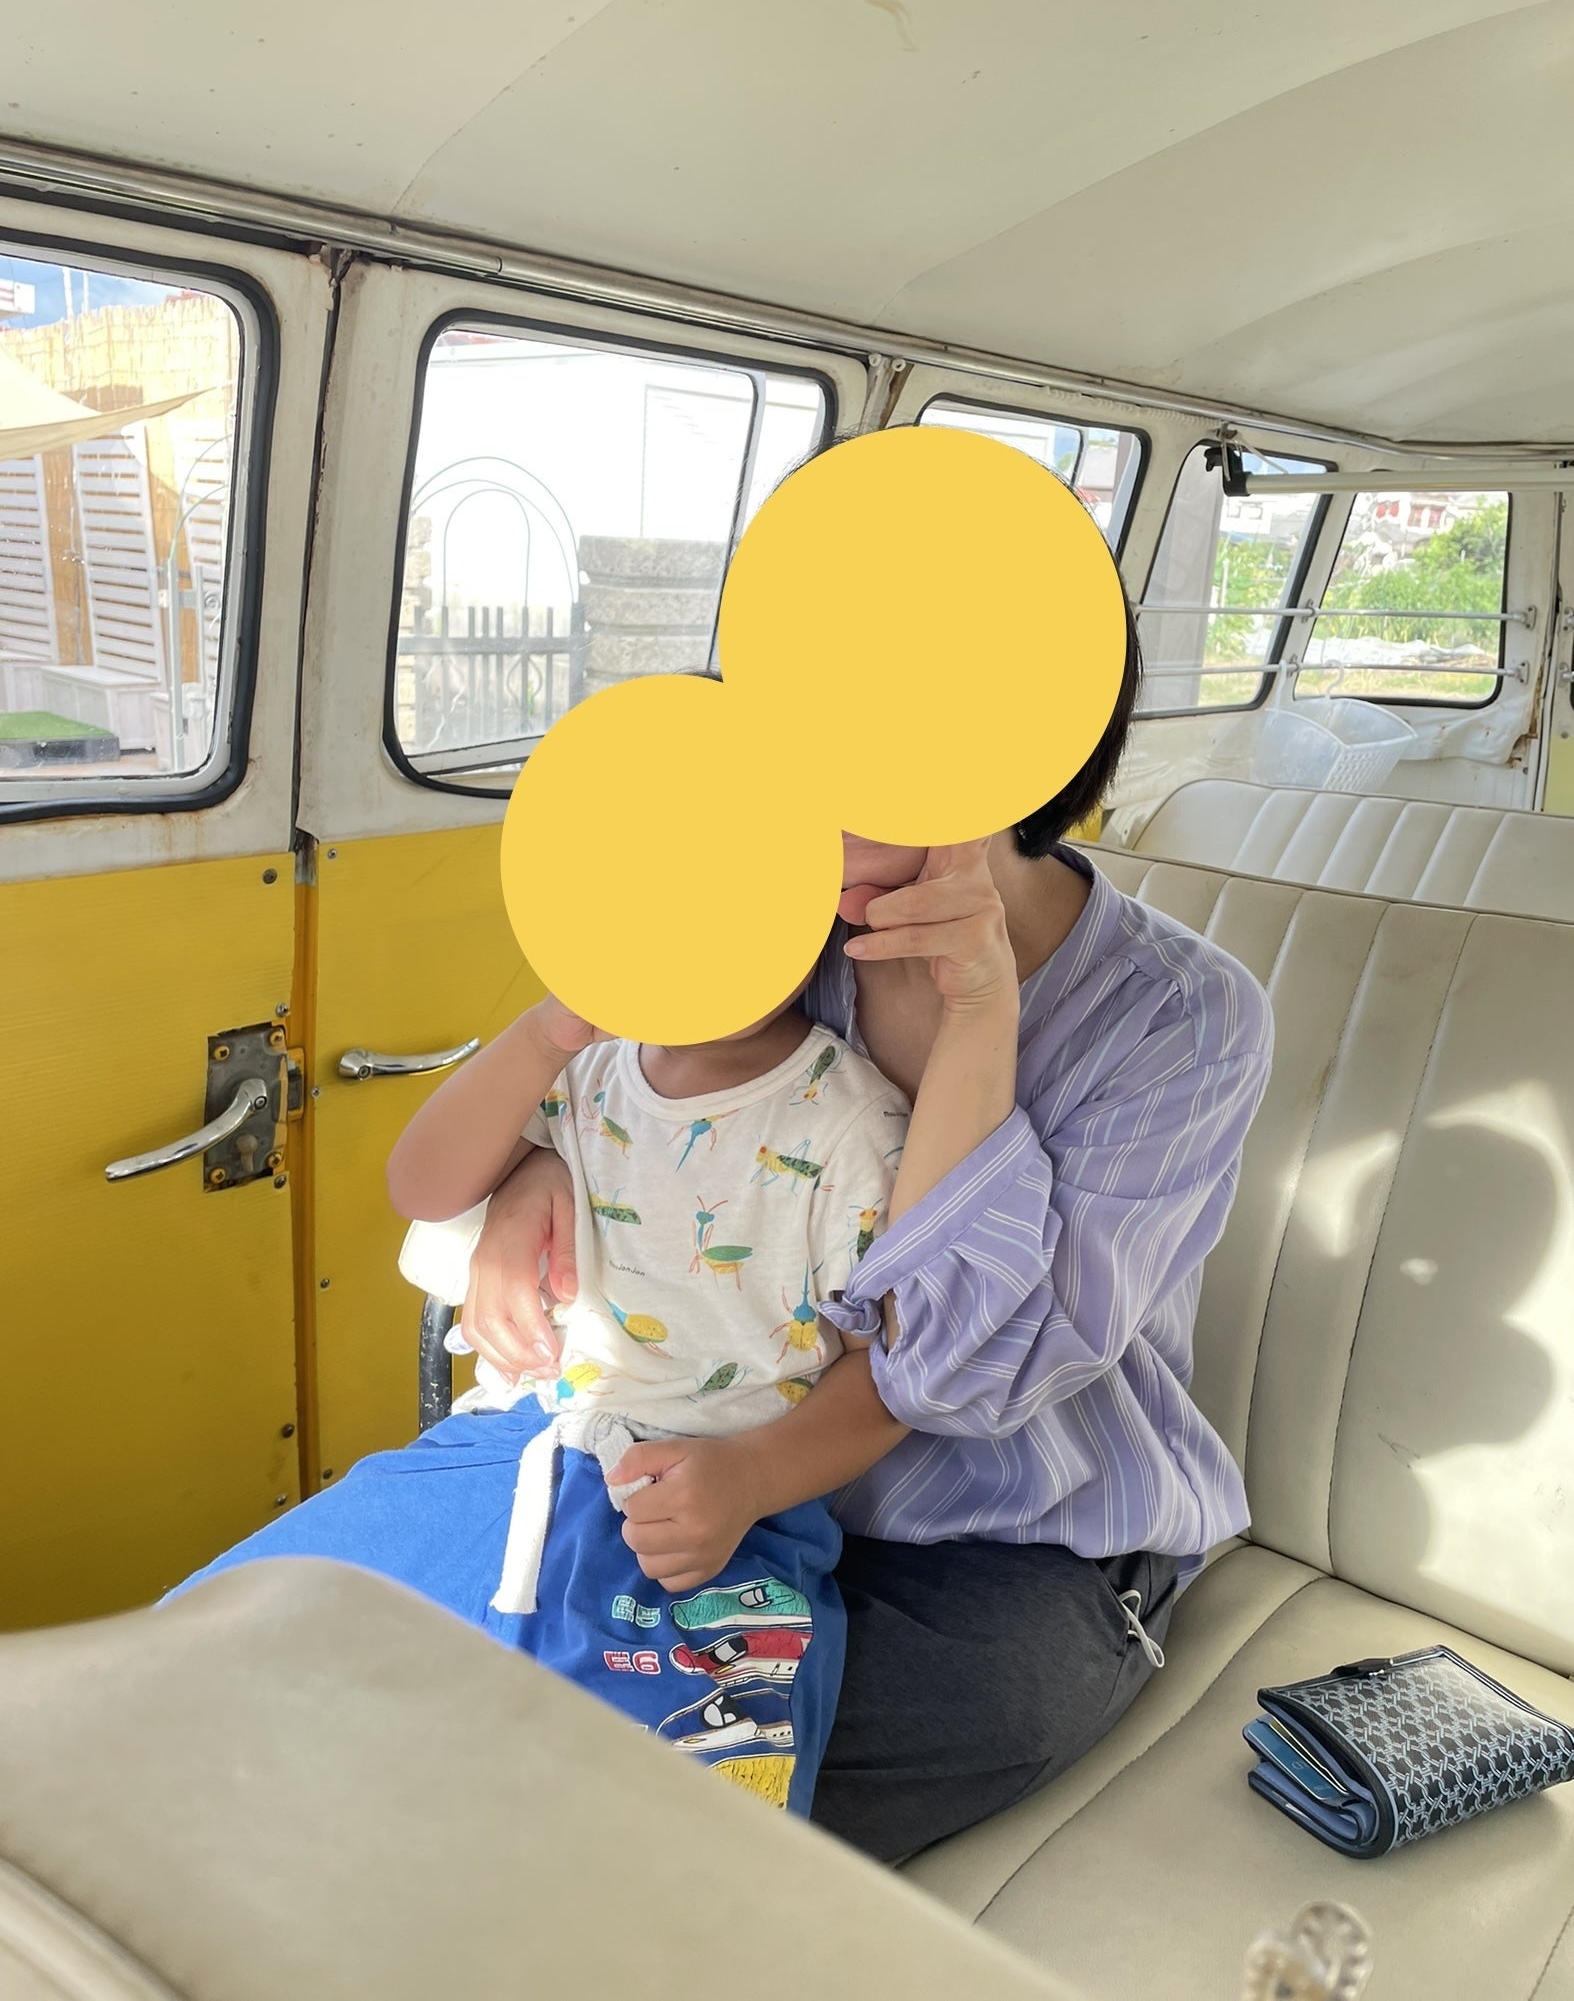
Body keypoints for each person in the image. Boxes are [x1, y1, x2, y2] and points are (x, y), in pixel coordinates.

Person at [459, 602, 1275, 1864]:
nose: (800, 823)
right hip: (721, 1468)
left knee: (659, 1773)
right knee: (472, 1670)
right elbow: (608, 1076)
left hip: (1006, 1539)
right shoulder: (776, 912)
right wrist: (533, 1169)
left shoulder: (1183, 1017)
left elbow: (951, 1375)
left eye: (860, 779)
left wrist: (975, 1022)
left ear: (1002, 766)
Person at [172, 940, 1049, 1822]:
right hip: (502, 1455)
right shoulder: (580, 1068)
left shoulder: (853, 1127)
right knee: (216, 1649)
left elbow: (888, 1371)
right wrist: (547, 1033)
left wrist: (750, 1480)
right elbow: (422, 1185)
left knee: (649, 1819)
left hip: (704, 1507)